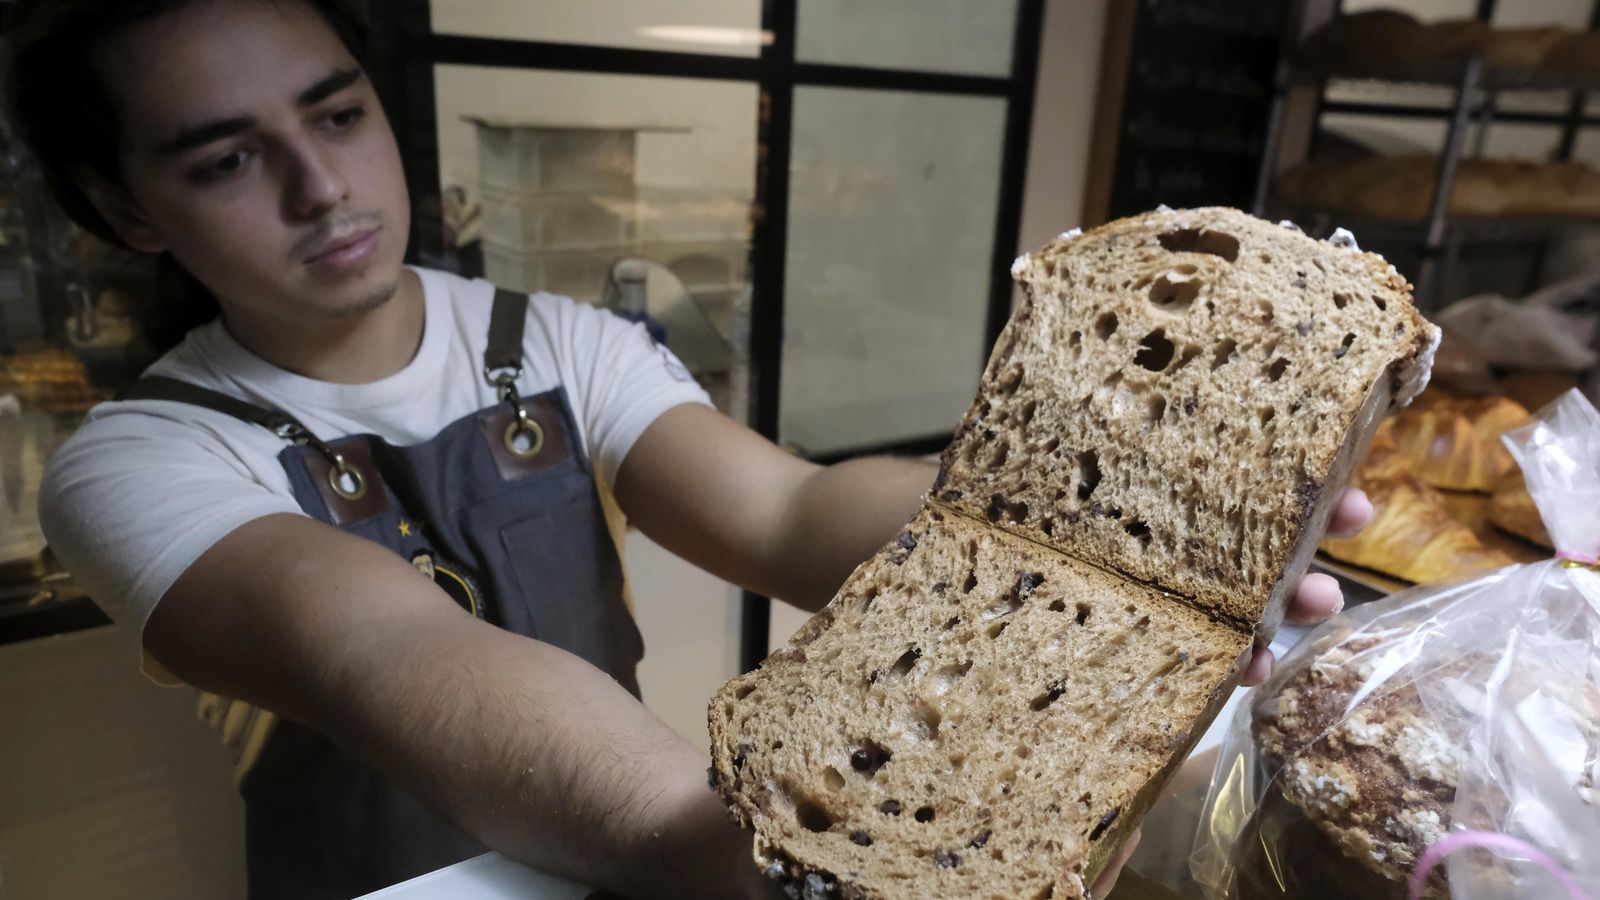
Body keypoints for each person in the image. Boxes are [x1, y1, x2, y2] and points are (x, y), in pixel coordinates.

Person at [6, 1, 1371, 897]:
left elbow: (790, 516)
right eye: (226, 160)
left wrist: (1094, 527)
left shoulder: (556, 343)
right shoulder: (138, 460)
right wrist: (705, 842)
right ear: (125, 209)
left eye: (337, 112)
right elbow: (388, 653)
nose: (321, 186)